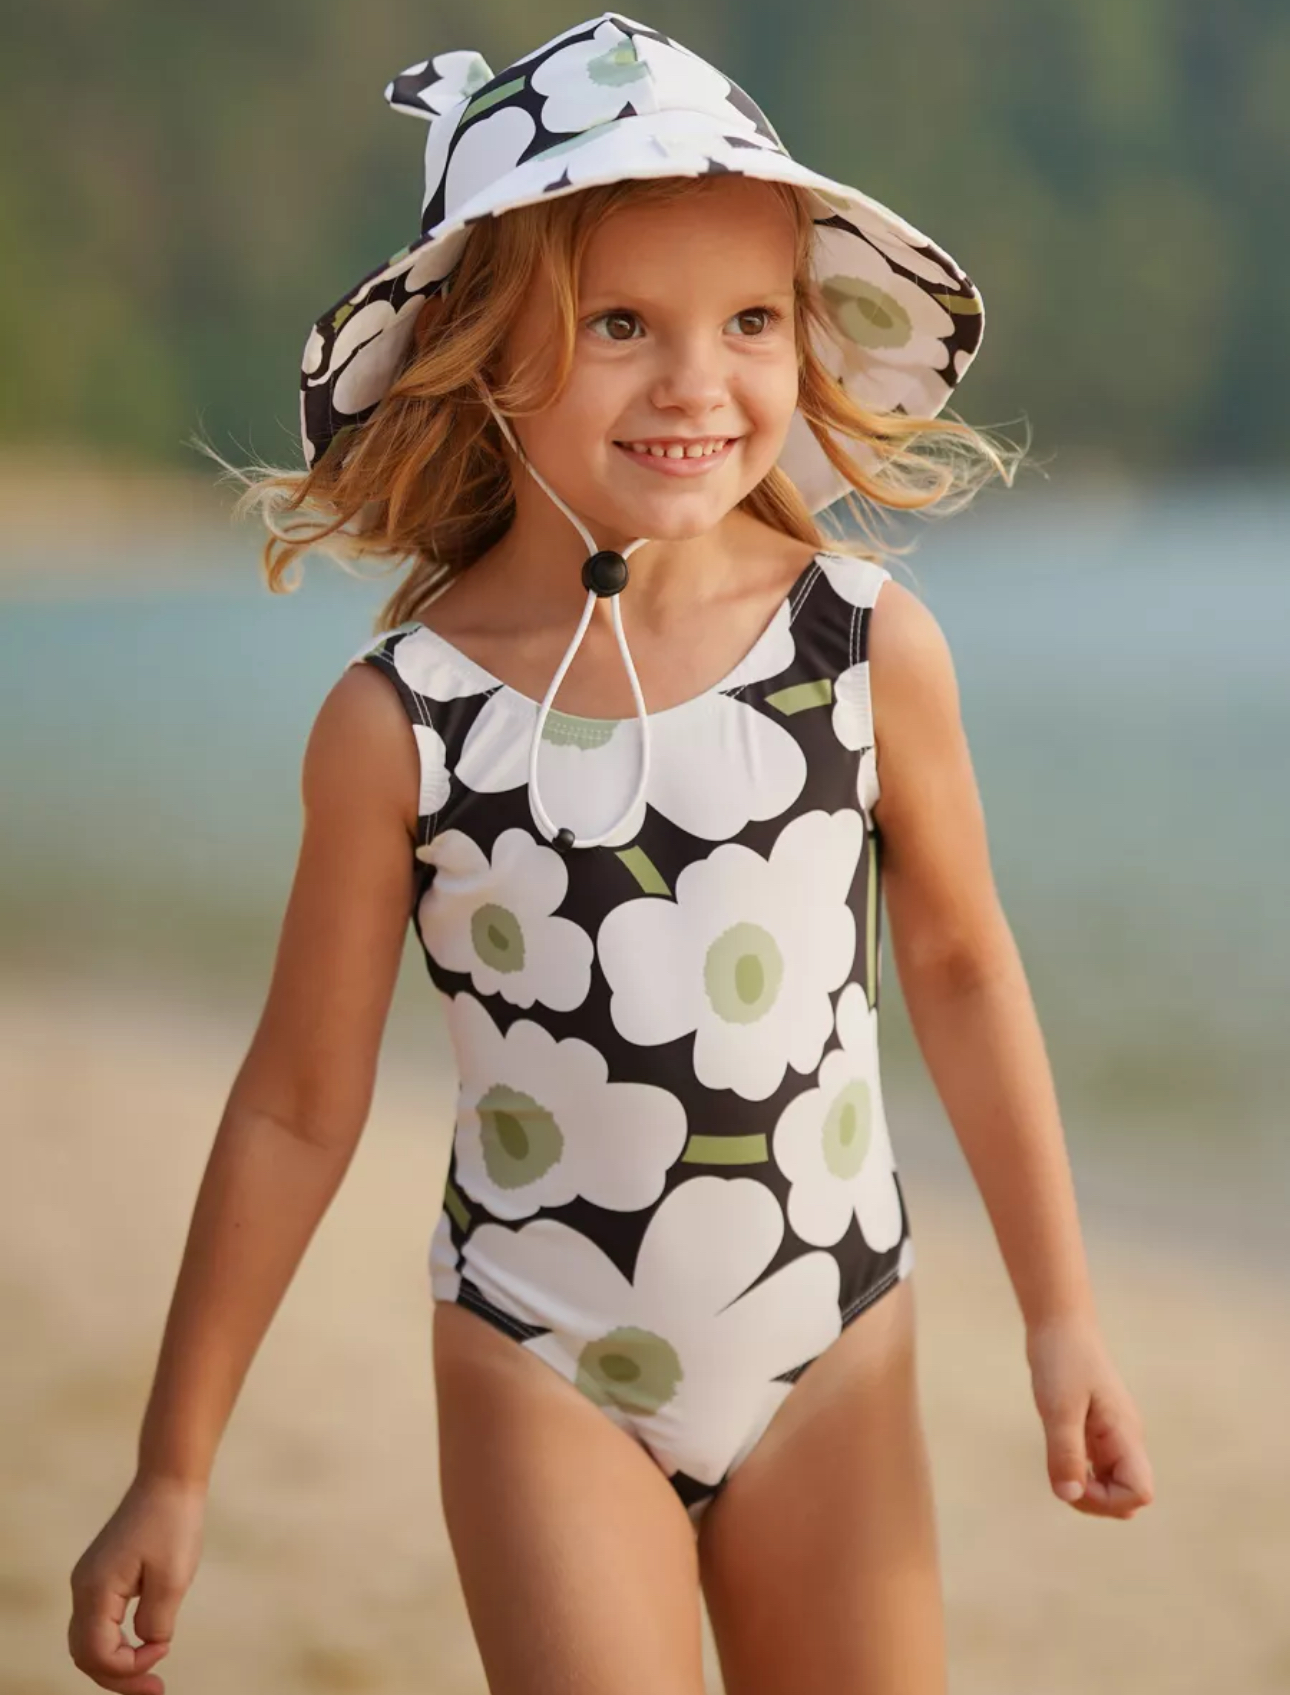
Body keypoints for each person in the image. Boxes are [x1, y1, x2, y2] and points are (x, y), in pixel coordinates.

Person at [67, 14, 1154, 1694]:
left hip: (832, 1338)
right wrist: (175, 1465)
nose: (696, 383)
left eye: (750, 322)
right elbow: (294, 1102)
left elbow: (957, 969)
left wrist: (1060, 1314)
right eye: (620, 324)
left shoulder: (862, 646)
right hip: (541, 1357)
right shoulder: (402, 721)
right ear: (485, 348)